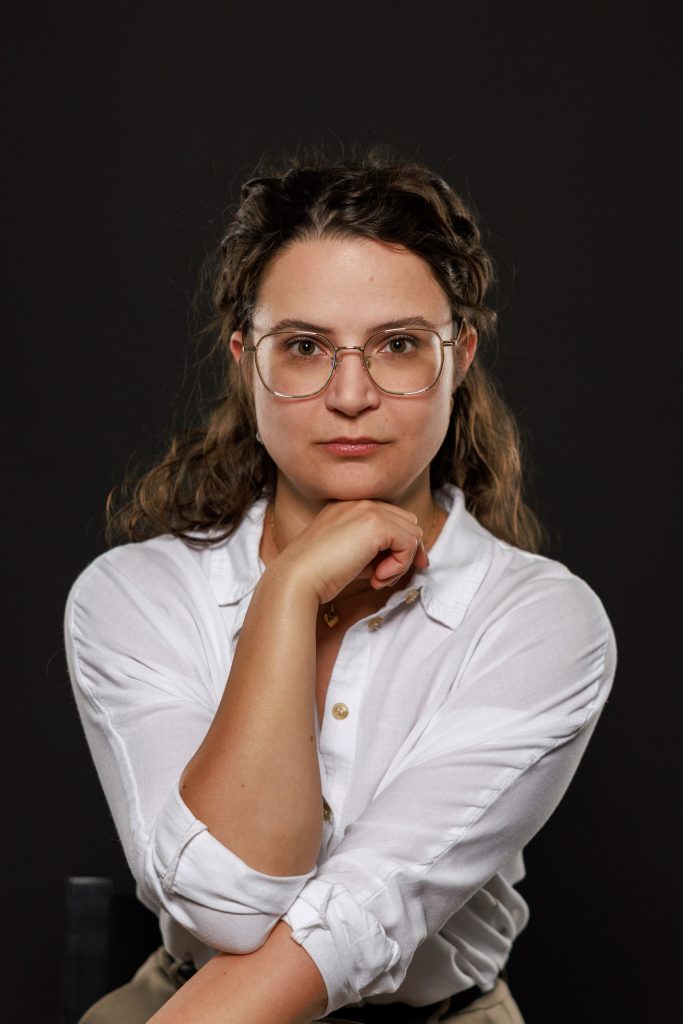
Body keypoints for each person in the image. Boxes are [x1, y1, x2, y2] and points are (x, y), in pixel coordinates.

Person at [64, 147, 616, 1024]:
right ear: (247, 361)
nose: (350, 393)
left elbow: (361, 916)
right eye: (305, 347)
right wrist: (287, 597)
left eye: (398, 345)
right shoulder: (134, 595)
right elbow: (225, 905)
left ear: (460, 356)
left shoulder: (541, 619)